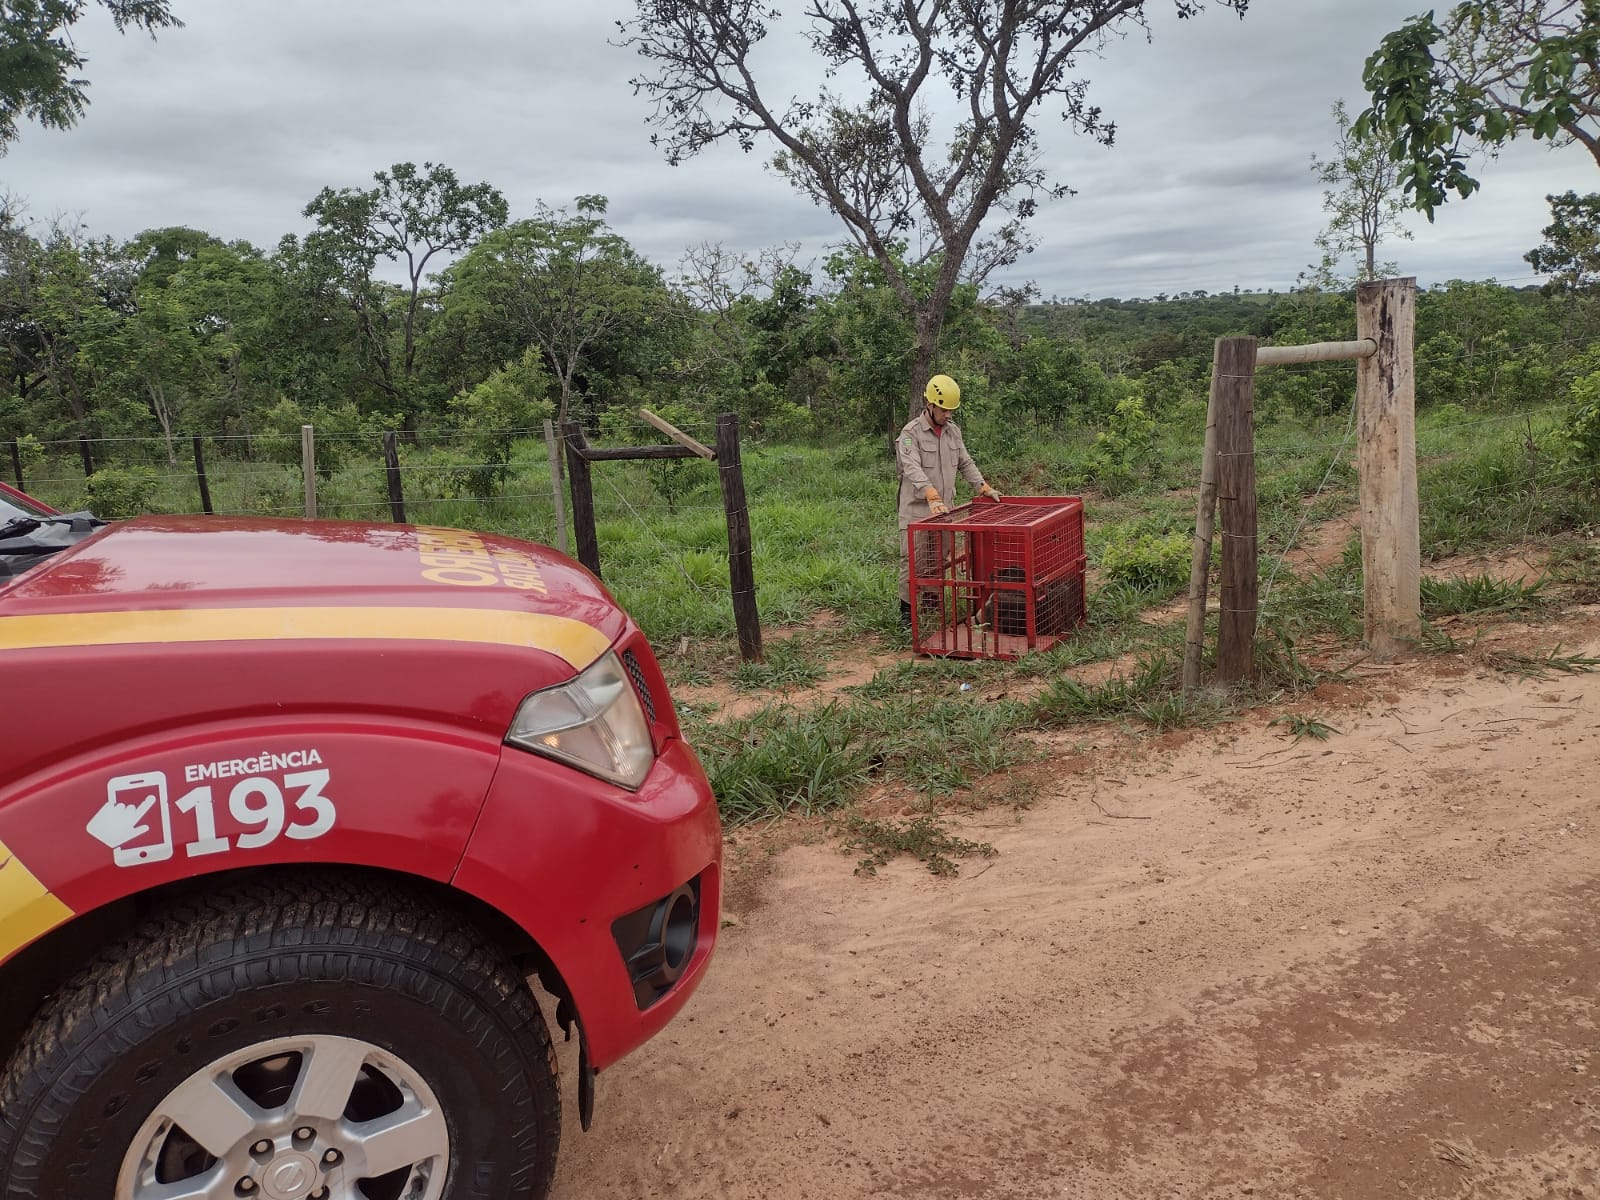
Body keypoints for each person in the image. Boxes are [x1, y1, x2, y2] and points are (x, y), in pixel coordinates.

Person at [895, 374, 1000, 626]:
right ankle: (907, 612)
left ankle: (932, 601)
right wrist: (930, 493)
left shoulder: (953, 432)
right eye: (944, 410)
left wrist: (983, 486)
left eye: (951, 410)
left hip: (944, 510)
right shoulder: (911, 433)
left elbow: (965, 462)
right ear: (930, 405)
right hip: (917, 509)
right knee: (913, 560)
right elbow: (911, 467)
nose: (948, 415)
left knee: (939, 558)